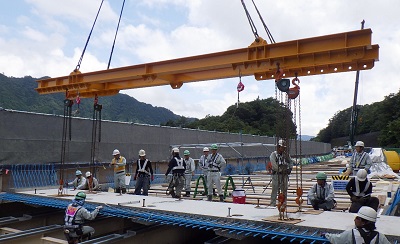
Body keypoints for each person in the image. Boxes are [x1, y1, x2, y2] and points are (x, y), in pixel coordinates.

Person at [323, 206, 391, 244]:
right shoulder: (380, 237)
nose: (354, 220)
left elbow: (337, 239)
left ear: (363, 222)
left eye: (357, 218)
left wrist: (327, 235)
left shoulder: (351, 234)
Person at [269, 139, 293, 207]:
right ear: (278, 147)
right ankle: (272, 204)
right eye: (282, 147)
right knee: (275, 189)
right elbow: (274, 165)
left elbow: (291, 161)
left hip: (284, 175)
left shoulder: (286, 155)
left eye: (284, 148)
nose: (283, 149)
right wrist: (281, 170)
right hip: (276, 175)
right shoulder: (273, 155)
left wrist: (290, 168)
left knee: (284, 189)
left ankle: (283, 203)